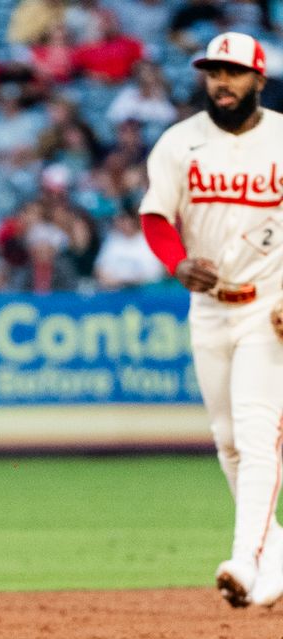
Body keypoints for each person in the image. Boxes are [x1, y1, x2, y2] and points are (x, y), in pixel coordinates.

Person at [139, 32, 283, 608]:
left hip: (267, 307)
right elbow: (156, 217)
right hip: (210, 308)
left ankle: (245, 561)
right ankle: (272, 555)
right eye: (212, 72)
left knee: (254, 432)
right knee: (227, 441)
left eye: (233, 72)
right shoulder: (180, 142)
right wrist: (177, 265)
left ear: (258, 78)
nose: (221, 82)